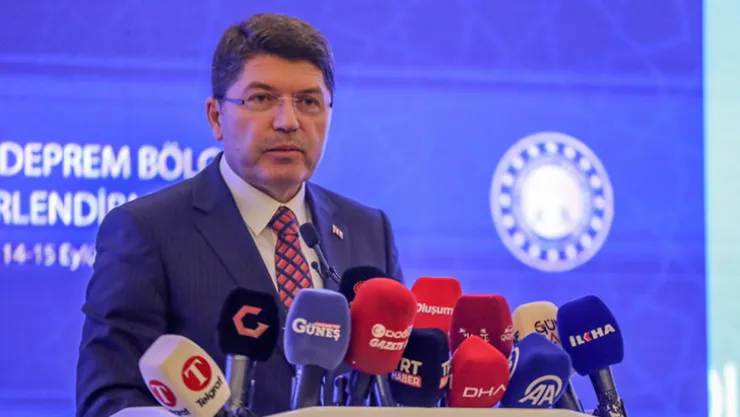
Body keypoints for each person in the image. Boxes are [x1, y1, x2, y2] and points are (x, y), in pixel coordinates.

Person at [75, 13, 403, 417]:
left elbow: (393, 386)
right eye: (261, 99)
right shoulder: (147, 230)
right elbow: (108, 399)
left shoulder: (368, 230)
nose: (288, 122)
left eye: (308, 102)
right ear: (216, 117)